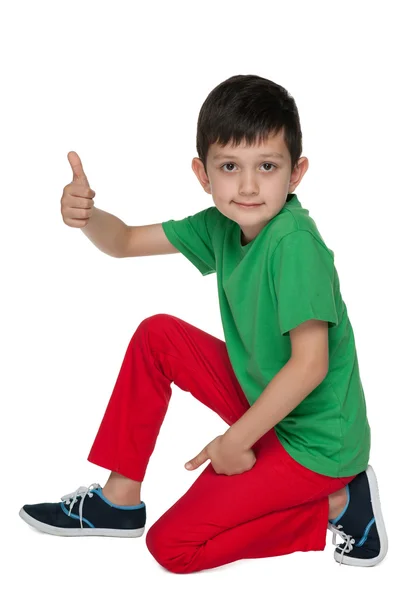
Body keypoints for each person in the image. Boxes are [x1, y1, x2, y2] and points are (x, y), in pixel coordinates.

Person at [19, 74, 388, 572]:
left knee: (172, 547)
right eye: (230, 166)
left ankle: (341, 505)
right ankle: (119, 498)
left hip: (318, 444)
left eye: (268, 166)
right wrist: (88, 217)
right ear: (203, 173)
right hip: (270, 404)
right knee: (159, 335)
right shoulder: (222, 225)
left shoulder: (294, 244)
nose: (250, 185)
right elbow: (124, 241)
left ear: (296, 173)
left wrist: (233, 442)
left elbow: (310, 366)